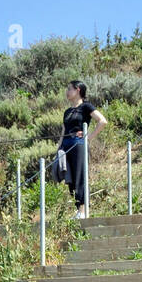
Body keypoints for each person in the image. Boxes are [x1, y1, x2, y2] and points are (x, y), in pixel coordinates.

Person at [59, 81, 106, 218]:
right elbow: (63, 131)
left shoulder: (86, 106)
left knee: (80, 176)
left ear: (78, 90)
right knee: (70, 179)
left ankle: (83, 210)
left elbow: (102, 121)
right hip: (66, 145)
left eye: (69, 89)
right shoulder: (67, 111)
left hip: (78, 144)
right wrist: (58, 149)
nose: (67, 92)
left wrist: (89, 137)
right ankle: (78, 209)